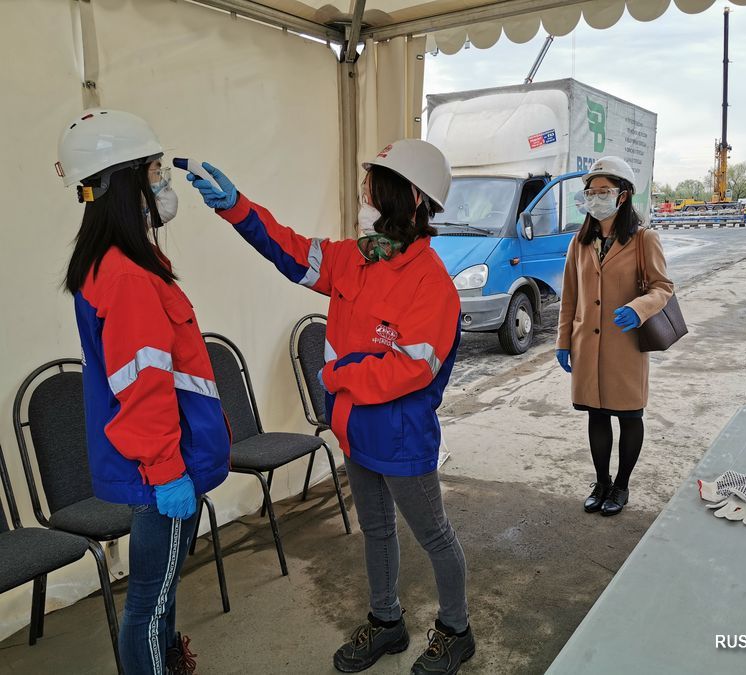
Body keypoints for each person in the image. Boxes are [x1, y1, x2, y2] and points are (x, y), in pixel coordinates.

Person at [184, 140, 474, 675]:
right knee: (377, 530)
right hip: (354, 430)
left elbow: (410, 368)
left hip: (402, 435)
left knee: (433, 534)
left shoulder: (431, 284)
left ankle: (456, 629)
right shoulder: (355, 258)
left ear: (411, 198)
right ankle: (386, 621)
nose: (363, 196)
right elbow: (289, 250)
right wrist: (236, 208)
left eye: (374, 187)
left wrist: (337, 375)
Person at [57, 109, 231, 675]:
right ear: (124, 182)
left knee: (159, 601)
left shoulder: (125, 262)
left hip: (165, 460)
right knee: (149, 610)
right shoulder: (128, 276)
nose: (165, 182)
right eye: (155, 171)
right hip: (163, 469)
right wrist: (167, 470)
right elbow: (144, 382)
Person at [556, 157, 673, 516]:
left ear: (623, 196)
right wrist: (563, 341)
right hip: (587, 345)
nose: (595, 198)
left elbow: (662, 287)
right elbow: (570, 296)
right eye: (590, 192)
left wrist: (638, 308)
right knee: (596, 415)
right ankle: (601, 482)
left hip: (625, 346)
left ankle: (621, 486)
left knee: (629, 416)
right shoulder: (580, 242)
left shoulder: (643, 240)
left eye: (603, 191)